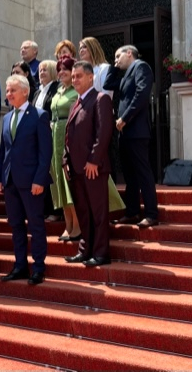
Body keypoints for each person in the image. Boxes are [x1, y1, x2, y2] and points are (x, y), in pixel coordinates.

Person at [0, 75, 52, 285]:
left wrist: (39, 179)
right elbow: (4, 151)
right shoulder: (8, 117)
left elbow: (45, 153)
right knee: (16, 225)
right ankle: (19, 265)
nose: (8, 94)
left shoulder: (39, 115)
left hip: (31, 182)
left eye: (12, 91)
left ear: (25, 92)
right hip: (10, 181)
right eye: (7, 91)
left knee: (36, 225)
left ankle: (38, 268)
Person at [63, 61, 114, 266]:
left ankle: (101, 253)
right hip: (76, 170)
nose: (74, 80)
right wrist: (65, 161)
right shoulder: (76, 102)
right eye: (73, 76)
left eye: (79, 76)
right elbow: (69, 136)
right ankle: (85, 251)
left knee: (98, 212)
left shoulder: (100, 99)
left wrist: (94, 160)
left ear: (91, 77)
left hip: (93, 169)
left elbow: (103, 133)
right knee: (83, 212)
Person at [103, 45, 159, 228]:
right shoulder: (126, 74)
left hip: (137, 130)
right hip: (125, 132)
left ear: (129, 53)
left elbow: (141, 95)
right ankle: (132, 212)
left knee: (143, 173)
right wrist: (114, 66)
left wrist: (124, 118)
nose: (116, 59)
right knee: (129, 175)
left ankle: (151, 214)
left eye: (118, 56)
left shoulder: (141, 67)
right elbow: (108, 84)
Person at [79, 37, 125, 214]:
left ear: (93, 48)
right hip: (87, 121)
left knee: (105, 161)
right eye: (80, 47)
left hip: (101, 118)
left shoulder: (105, 69)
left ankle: (111, 206)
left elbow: (106, 95)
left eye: (85, 47)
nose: (81, 50)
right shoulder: (83, 70)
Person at [50, 56, 81, 241]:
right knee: (59, 182)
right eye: (59, 69)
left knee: (69, 181)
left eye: (65, 70)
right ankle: (68, 223)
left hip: (68, 135)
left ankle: (77, 225)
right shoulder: (59, 90)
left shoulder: (75, 92)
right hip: (54, 138)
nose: (61, 73)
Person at [31, 59, 61, 222]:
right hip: (36, 135)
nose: (41, 73)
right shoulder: (37, 91)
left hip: (50, 134)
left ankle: (55, 210)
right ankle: (43, 209)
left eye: (45, 70)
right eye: (40, 70)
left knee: (50, 172)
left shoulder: (57, 88)